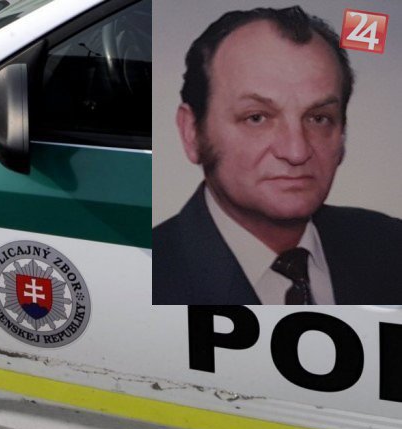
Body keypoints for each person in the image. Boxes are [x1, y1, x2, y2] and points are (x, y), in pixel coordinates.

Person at [152, 5, 402, 305]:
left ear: (342, 134)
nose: (296, 151)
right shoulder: (147, 274)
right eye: (256, 117)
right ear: (192, 132)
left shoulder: (391, 247)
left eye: (318, 118)